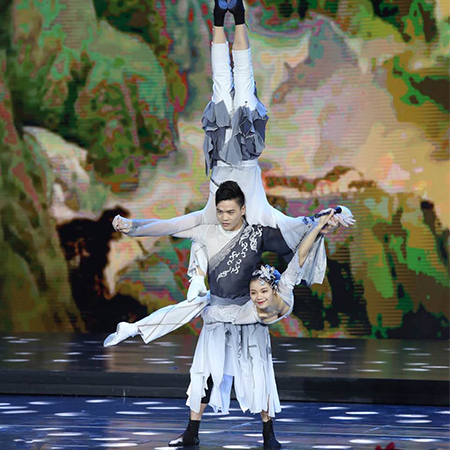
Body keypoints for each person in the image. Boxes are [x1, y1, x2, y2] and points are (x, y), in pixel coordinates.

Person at [108, 2, 354, 448]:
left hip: (244, 307)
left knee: (240, 89)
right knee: (225, 89)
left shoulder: (256, 215)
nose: (224, 216)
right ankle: (191, 432)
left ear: (238, 209)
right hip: (220, 309)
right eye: (221, 212)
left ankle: (235, 17)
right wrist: (131, 225)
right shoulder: (208, 218)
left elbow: (296, 237)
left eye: (228, 212)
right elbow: (165, 225)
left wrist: (322, 221)